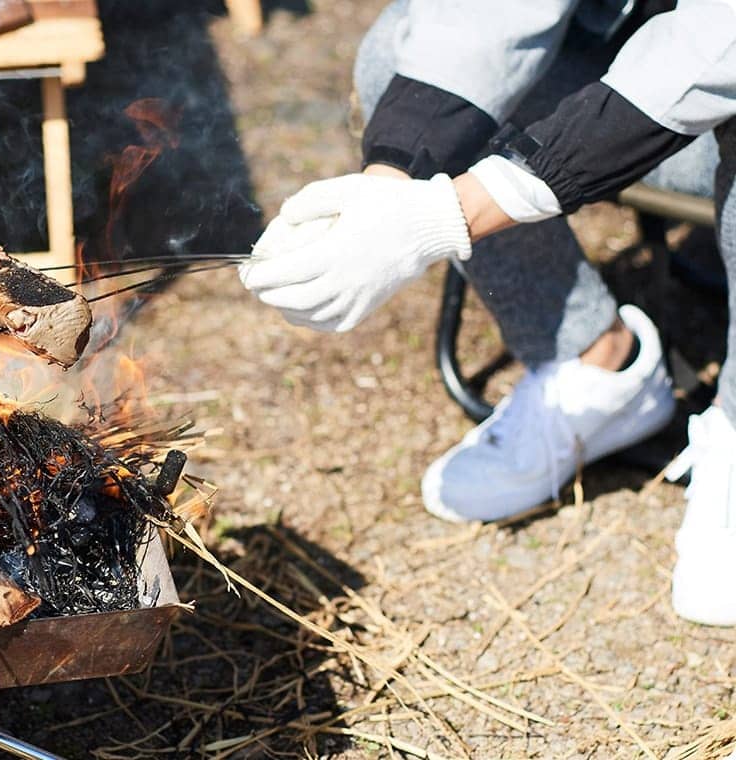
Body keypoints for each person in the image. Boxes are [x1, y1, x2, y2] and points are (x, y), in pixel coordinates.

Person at [239, 0, 736, 626]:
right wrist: (387, 188)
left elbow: (714, 48)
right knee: (399, 54)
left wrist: (449, 214)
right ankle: (594, 360)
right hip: (629, 64)